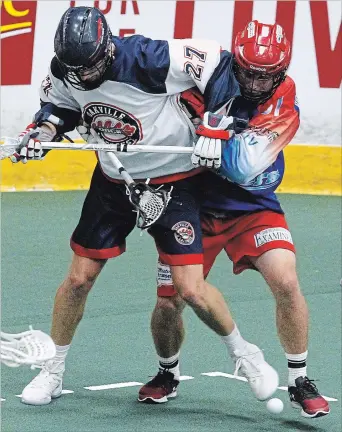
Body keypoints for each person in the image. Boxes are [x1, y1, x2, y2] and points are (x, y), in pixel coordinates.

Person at [13, 8, 278, 405]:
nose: (82, 76)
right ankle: (53, 370)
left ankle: (245, 353)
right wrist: (42, 130)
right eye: (74, 69)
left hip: (175, 181)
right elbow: (60, 108)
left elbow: (218, 64)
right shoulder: (65, 69)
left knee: (189, 289)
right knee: (78, 279)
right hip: (113, 181)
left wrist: (213, 126)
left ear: (108, 48)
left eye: (90, 67)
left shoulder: (145, 59)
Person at [138, 21, 330, 419]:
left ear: (281, 72)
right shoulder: (204, 73)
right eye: (248, 73)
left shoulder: (285, 95)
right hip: (191, 205)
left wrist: (215, 136)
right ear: (234, 62)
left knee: (287, 281)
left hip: (251, 206)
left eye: (267, 76)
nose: (257, 83)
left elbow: (244, 168)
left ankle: (299, 379)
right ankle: (167, 372)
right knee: (170, 301)